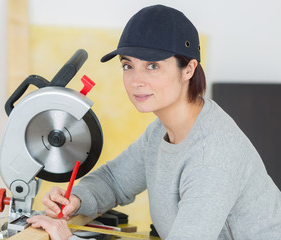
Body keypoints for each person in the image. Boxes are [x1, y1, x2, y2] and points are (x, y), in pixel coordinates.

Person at [27, 4, 281, 240]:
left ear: (189, 69)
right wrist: (77, 200)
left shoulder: (212, 156)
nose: (136, 80)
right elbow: (114, 180)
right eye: (128, 65)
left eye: (152, 66)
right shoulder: (160, 131)